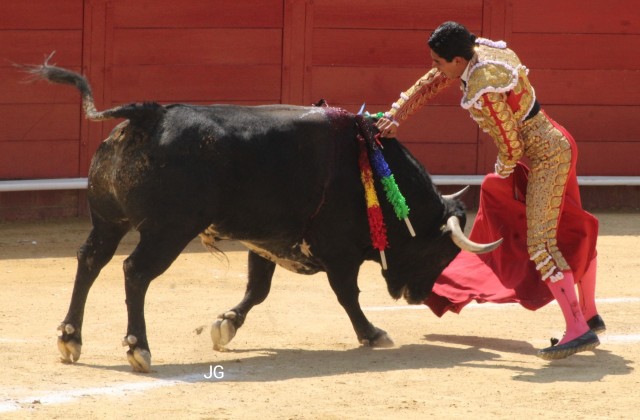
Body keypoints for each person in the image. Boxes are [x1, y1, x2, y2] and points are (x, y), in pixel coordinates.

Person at [375, 21, 605, 360]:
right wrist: (396, 115)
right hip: (557, 141)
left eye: (438, 61)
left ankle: (579, 329)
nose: (435, 67)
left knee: (541, 244)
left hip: (547, 157)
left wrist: (501, 173)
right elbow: (433, 81)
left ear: (457, 60)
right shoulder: (477, 50)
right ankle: (589, 314)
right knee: (570, 227)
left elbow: (511, 147)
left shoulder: (483, 86)